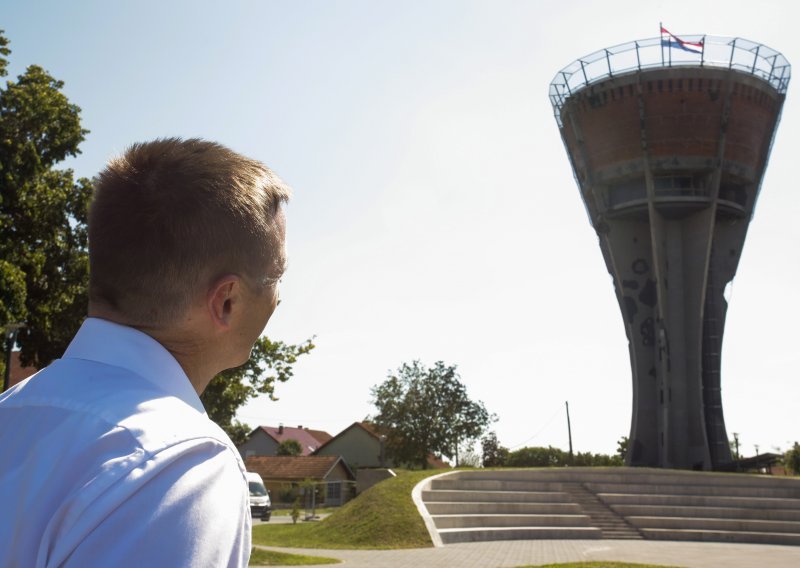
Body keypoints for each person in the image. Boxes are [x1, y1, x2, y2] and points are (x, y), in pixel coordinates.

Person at [0, 138, 290, 567]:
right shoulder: (181, 464)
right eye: (278, 275)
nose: (280, 298)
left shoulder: (13, 412)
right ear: (226, 301)